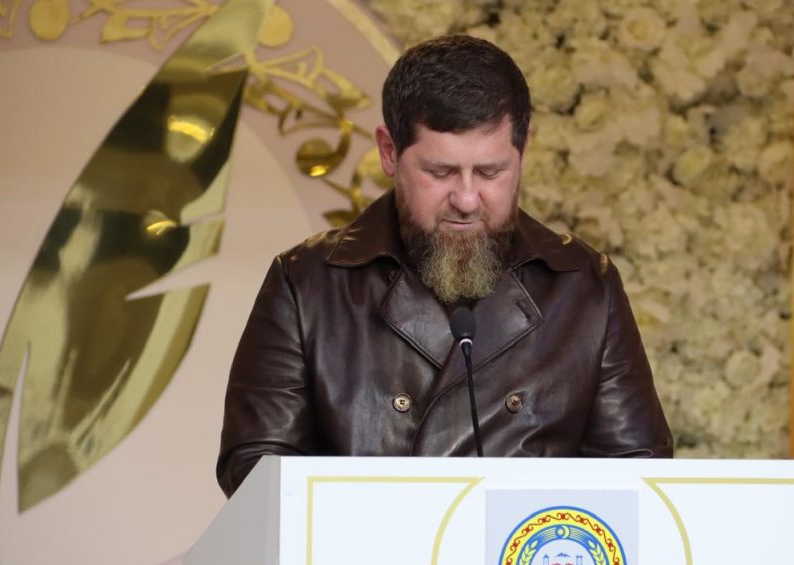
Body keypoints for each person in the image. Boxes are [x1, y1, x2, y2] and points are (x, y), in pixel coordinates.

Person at [216, 35, 672, 497]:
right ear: (389, 151)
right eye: (440, 172)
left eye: (491, 172)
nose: (467, 199)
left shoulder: (584, 285)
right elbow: (256, 476)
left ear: (524, 151)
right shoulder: (306, 283)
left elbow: (637, 480)